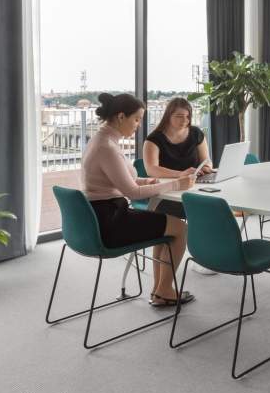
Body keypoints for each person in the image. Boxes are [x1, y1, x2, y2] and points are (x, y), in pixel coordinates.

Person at [81, 92, 195, 306]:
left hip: (101, 216)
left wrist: (146, 181)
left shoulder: (101, 140)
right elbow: (132, 193)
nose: (138, 125)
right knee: (180, 228)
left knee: (166, 223)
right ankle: (164, 291)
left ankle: (160, 290)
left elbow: (121, 180)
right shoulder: (107, 148)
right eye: (136, 119)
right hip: (110, 222)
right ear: (121, 117)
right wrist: (176, 184)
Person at [143, 97, 212, 219]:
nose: (185, 120)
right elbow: (151, 170)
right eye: (179, 116)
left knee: (214, 205)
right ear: (168, 116)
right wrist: (180, 174)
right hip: (166, 193)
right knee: (206, 209)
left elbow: (207, 160)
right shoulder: (154, 139)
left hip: (194, 187)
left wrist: (206, 167)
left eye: (187, 116)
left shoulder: (196, 133)